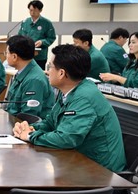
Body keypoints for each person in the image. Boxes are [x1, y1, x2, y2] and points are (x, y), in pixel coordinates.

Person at [13, 44, 125, 173]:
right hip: (80, 161)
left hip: (101, 171)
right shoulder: (69, 90)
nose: (47, 71)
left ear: (61, 73)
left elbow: (66, 138)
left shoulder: (84, 97)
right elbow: (51, 122)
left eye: (50, 67)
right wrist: (30, 128)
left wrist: (30, 136)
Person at [3, 35, 54, 118]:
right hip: (14, 119)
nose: (6, 56)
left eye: (7, 53)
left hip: (23, 124)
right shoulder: (23, 71)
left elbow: (28, 115)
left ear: (14, 57)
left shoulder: (33, 80)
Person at [17, 0, 56, 70]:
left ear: (40, 10)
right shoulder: (25, 22)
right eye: (31, 10)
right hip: (25, 55)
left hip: (40, 56)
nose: (32, 12)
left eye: (35, 10)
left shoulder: (46, 23)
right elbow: (20, 36)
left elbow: (51, 37)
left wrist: (42, 42)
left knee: (38, 72)